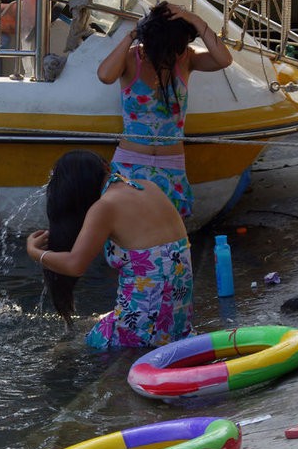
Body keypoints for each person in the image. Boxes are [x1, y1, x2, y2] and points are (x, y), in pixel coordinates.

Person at [26, 150, 194, 350]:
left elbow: (74, 265)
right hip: (178, 321)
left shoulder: (105, 206)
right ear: (106, 167)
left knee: (63, 349)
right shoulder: (149, 186)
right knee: (96, 323)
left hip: (145, 330)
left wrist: (34, 251)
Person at [97, 1, 233, 218]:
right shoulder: (132, 58)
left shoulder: (186, 58)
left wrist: (194, 20)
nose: (168, 54)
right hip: (130, 163)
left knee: (167, 234)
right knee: (127, 229)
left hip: (172, 165)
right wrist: (133, 34)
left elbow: (224, 59)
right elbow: (105, 75)